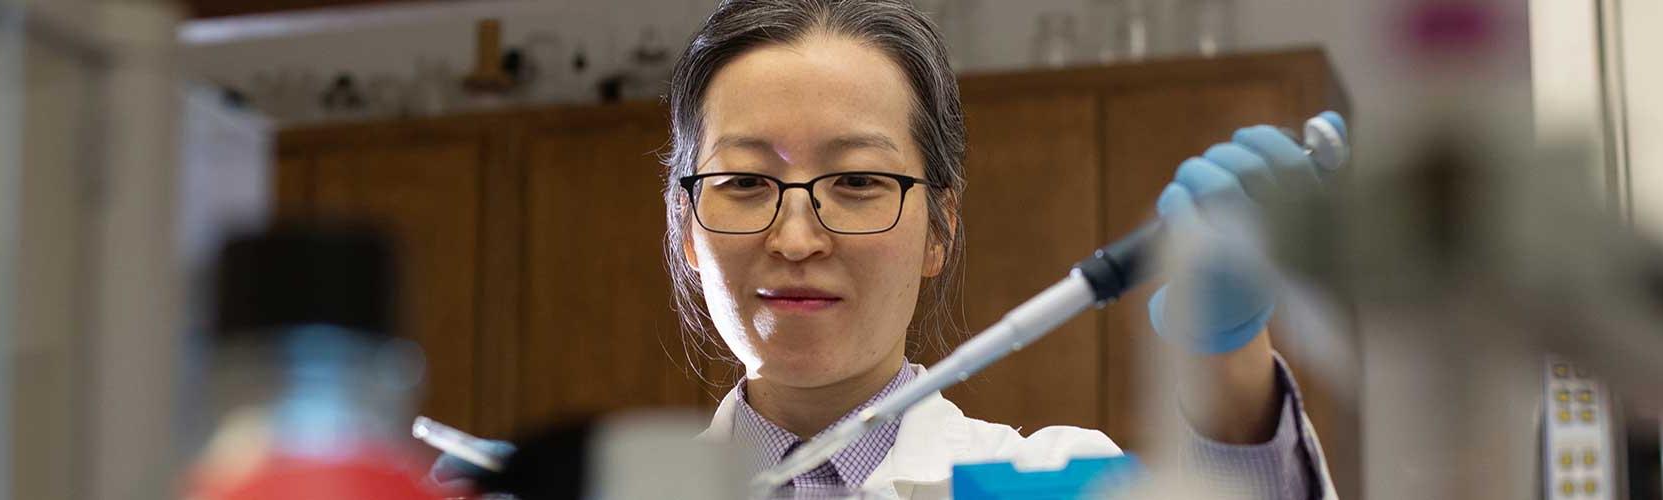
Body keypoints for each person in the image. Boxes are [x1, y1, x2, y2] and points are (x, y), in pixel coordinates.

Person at [439, 1, 1343, 498]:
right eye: (746, 182)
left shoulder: (1048, 486)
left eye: (859, 183)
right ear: (684, 227)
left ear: (939, 229)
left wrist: (1222, 350)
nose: (795, 238)